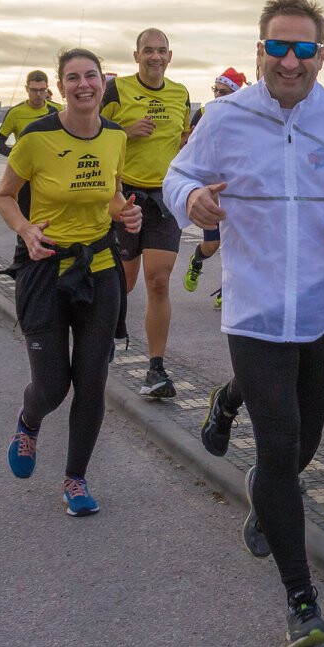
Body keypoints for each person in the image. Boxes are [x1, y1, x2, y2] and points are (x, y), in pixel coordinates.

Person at [165, 0, 324, 647]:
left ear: (321, 54)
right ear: (259, 50)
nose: (289, 62)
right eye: (277, 47)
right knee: (277, 444)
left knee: (302, 449)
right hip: (256, 309)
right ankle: (302, 598)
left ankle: (257, 469)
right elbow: (177, 176)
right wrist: (193, 201)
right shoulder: (225, 117)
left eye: (303, 49)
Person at [0, 48, 142, 516]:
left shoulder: (116, 136)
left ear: (103, 83)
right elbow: (4, 196)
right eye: (73, 77)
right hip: (46, 270)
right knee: (53, 386)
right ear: (61, 87)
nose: (84, 84)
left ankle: (75, 479)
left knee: (93, 381)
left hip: (99, 268)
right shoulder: (37, 137)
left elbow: (112, 197)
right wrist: (24, 228)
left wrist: (128, 213)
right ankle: (29, 420)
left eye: (91, 76)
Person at [101, 28, 191, 399]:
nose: (155, 57)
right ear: (136, 56)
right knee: (124, 282)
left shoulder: (181, 94)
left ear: (170, 57)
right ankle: (103, 338)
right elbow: (92, 131)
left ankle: (155, 368)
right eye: (148, 51)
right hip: (125, 198)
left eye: (161, 51)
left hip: (165, 199)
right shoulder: (116, 90)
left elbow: (185, 141)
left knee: (158, 280)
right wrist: (124, 131)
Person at [182, 67, 247, 299]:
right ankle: (197, 260)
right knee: (212, 245)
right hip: (211, 190)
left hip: (238, 191)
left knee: (239, 245)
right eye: (216, 90)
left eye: (224, 91)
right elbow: (188, 151)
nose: (218, 96)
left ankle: (228, 289)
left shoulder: (248, 116)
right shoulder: (204, 113)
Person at [0, 71, 60, 156]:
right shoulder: (15, 113)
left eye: (42, 90)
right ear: (27, 88)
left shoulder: (58, 109)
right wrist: (16, 155)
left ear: (47, 88)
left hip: (52, 164)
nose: (38, 94)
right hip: (25, 167)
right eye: (34, 90)